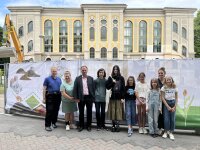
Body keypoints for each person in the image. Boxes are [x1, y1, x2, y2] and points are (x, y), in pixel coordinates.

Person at [73, 66, 95, 132]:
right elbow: (75, 89)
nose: (84, 71)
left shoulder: (91, 78)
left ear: (87, 70)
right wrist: (76, 98)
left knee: (89, 112)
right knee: (81, 113)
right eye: (83, 70)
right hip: (81, 98)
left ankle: (89, 126)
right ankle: (81, 126)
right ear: (81, 71)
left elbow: (93, 89)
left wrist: (93, 98)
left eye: (85, 70)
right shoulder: (77, 78)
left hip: (89, 98)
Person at [106, 65, 125, 132]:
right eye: (114, 69)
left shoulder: (121, 78)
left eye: (117, 69)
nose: (115, 70)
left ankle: (117, 125)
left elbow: (123, 88)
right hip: (112, 97)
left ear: (118, 70)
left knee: (118, 112)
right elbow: (107, 87)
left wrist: (123, 97)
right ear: (113, 70)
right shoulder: (110, 78)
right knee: (113, 112)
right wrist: (112, 83)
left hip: (119, 98)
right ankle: (113, 125)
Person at [43, 67, 62, 131]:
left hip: (58, 96)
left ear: (57, 72)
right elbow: (44, 89)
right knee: (49, 110)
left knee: (56, 110)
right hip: (50, 96)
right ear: (51, 72)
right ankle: (47, 125)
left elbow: (61, 88)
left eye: (55, 71)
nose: (54, 72)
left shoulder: (59, 79)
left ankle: (54, 123)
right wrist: (44, 98)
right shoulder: (47, 79)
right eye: (53, 71)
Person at [161, 76, 178, 140]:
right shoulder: (163, 88)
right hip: (166, 103)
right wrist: (167, 106)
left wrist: (174, 106)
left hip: (173, 103)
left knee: (172, 119)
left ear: (172, 80)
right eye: (167, 80)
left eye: (170, 79)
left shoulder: (175, 87)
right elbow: (162, 97)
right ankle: (165, 131)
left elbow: (176, 98)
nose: (169, 81)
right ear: (165, 80)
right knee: (166, 119)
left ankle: (171, 132)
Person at [157, 67, 166, 135]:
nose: (160, 74)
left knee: (165, 115)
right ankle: (160, 128)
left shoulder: (167, 80)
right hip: (158, 101)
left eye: (162, 73)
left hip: (166, 101)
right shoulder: (156, 81)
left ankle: (165, 129)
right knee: (160, 115)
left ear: (164, 74)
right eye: (159, 73)